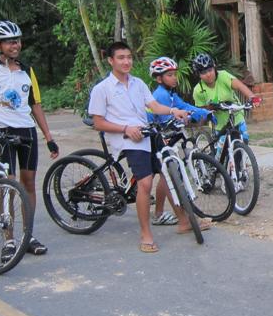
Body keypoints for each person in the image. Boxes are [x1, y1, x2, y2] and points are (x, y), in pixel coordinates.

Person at [88, 42, 209, 253]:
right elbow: (98, 123)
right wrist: (126, 129)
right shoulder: (102, 89)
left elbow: (153, 106)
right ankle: (146, 234)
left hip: (146, 134)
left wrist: (172, 111)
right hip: (126, 139)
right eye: (121, 58)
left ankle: (183, 221)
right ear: (110, 61)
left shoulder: (138, 84)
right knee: (145, 183)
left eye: (129, 57)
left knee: (169, 172)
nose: (126, 61)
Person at [0, 20, 57, 261]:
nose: (15, 45)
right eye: (9, 42)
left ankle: (28, 235)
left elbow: (35, 105)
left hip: (26, 132)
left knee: (29, 184)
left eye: (17, 41)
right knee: (8, 185)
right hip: (1, 132)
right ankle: (9, 239)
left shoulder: (27, 70)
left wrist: (49, 137)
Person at [147, 57, 211, 227]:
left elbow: (184, 106)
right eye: (170, 75)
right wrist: (186, 117)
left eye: (175, 74)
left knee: (165, 176)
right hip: (153, 140)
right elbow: (167, 120)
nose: (174, 78)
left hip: (160, 139)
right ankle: (184, 220)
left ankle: (159, 214)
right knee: (170, 176)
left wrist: (203, 112)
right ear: (159, 79)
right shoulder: (160, 95)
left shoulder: (171, 94)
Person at [191, 53, 260, 137]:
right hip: (218, 125)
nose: (208, 74)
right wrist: (211, 107)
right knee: (222, 145)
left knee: (243, 141)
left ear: (214, 68)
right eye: (203, 72)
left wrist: (252, 97)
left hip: (236, 117)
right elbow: (200, 110)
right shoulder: (198, 90)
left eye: (210, 70)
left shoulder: (223, 76)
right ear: (198, 74)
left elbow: (240, 86)